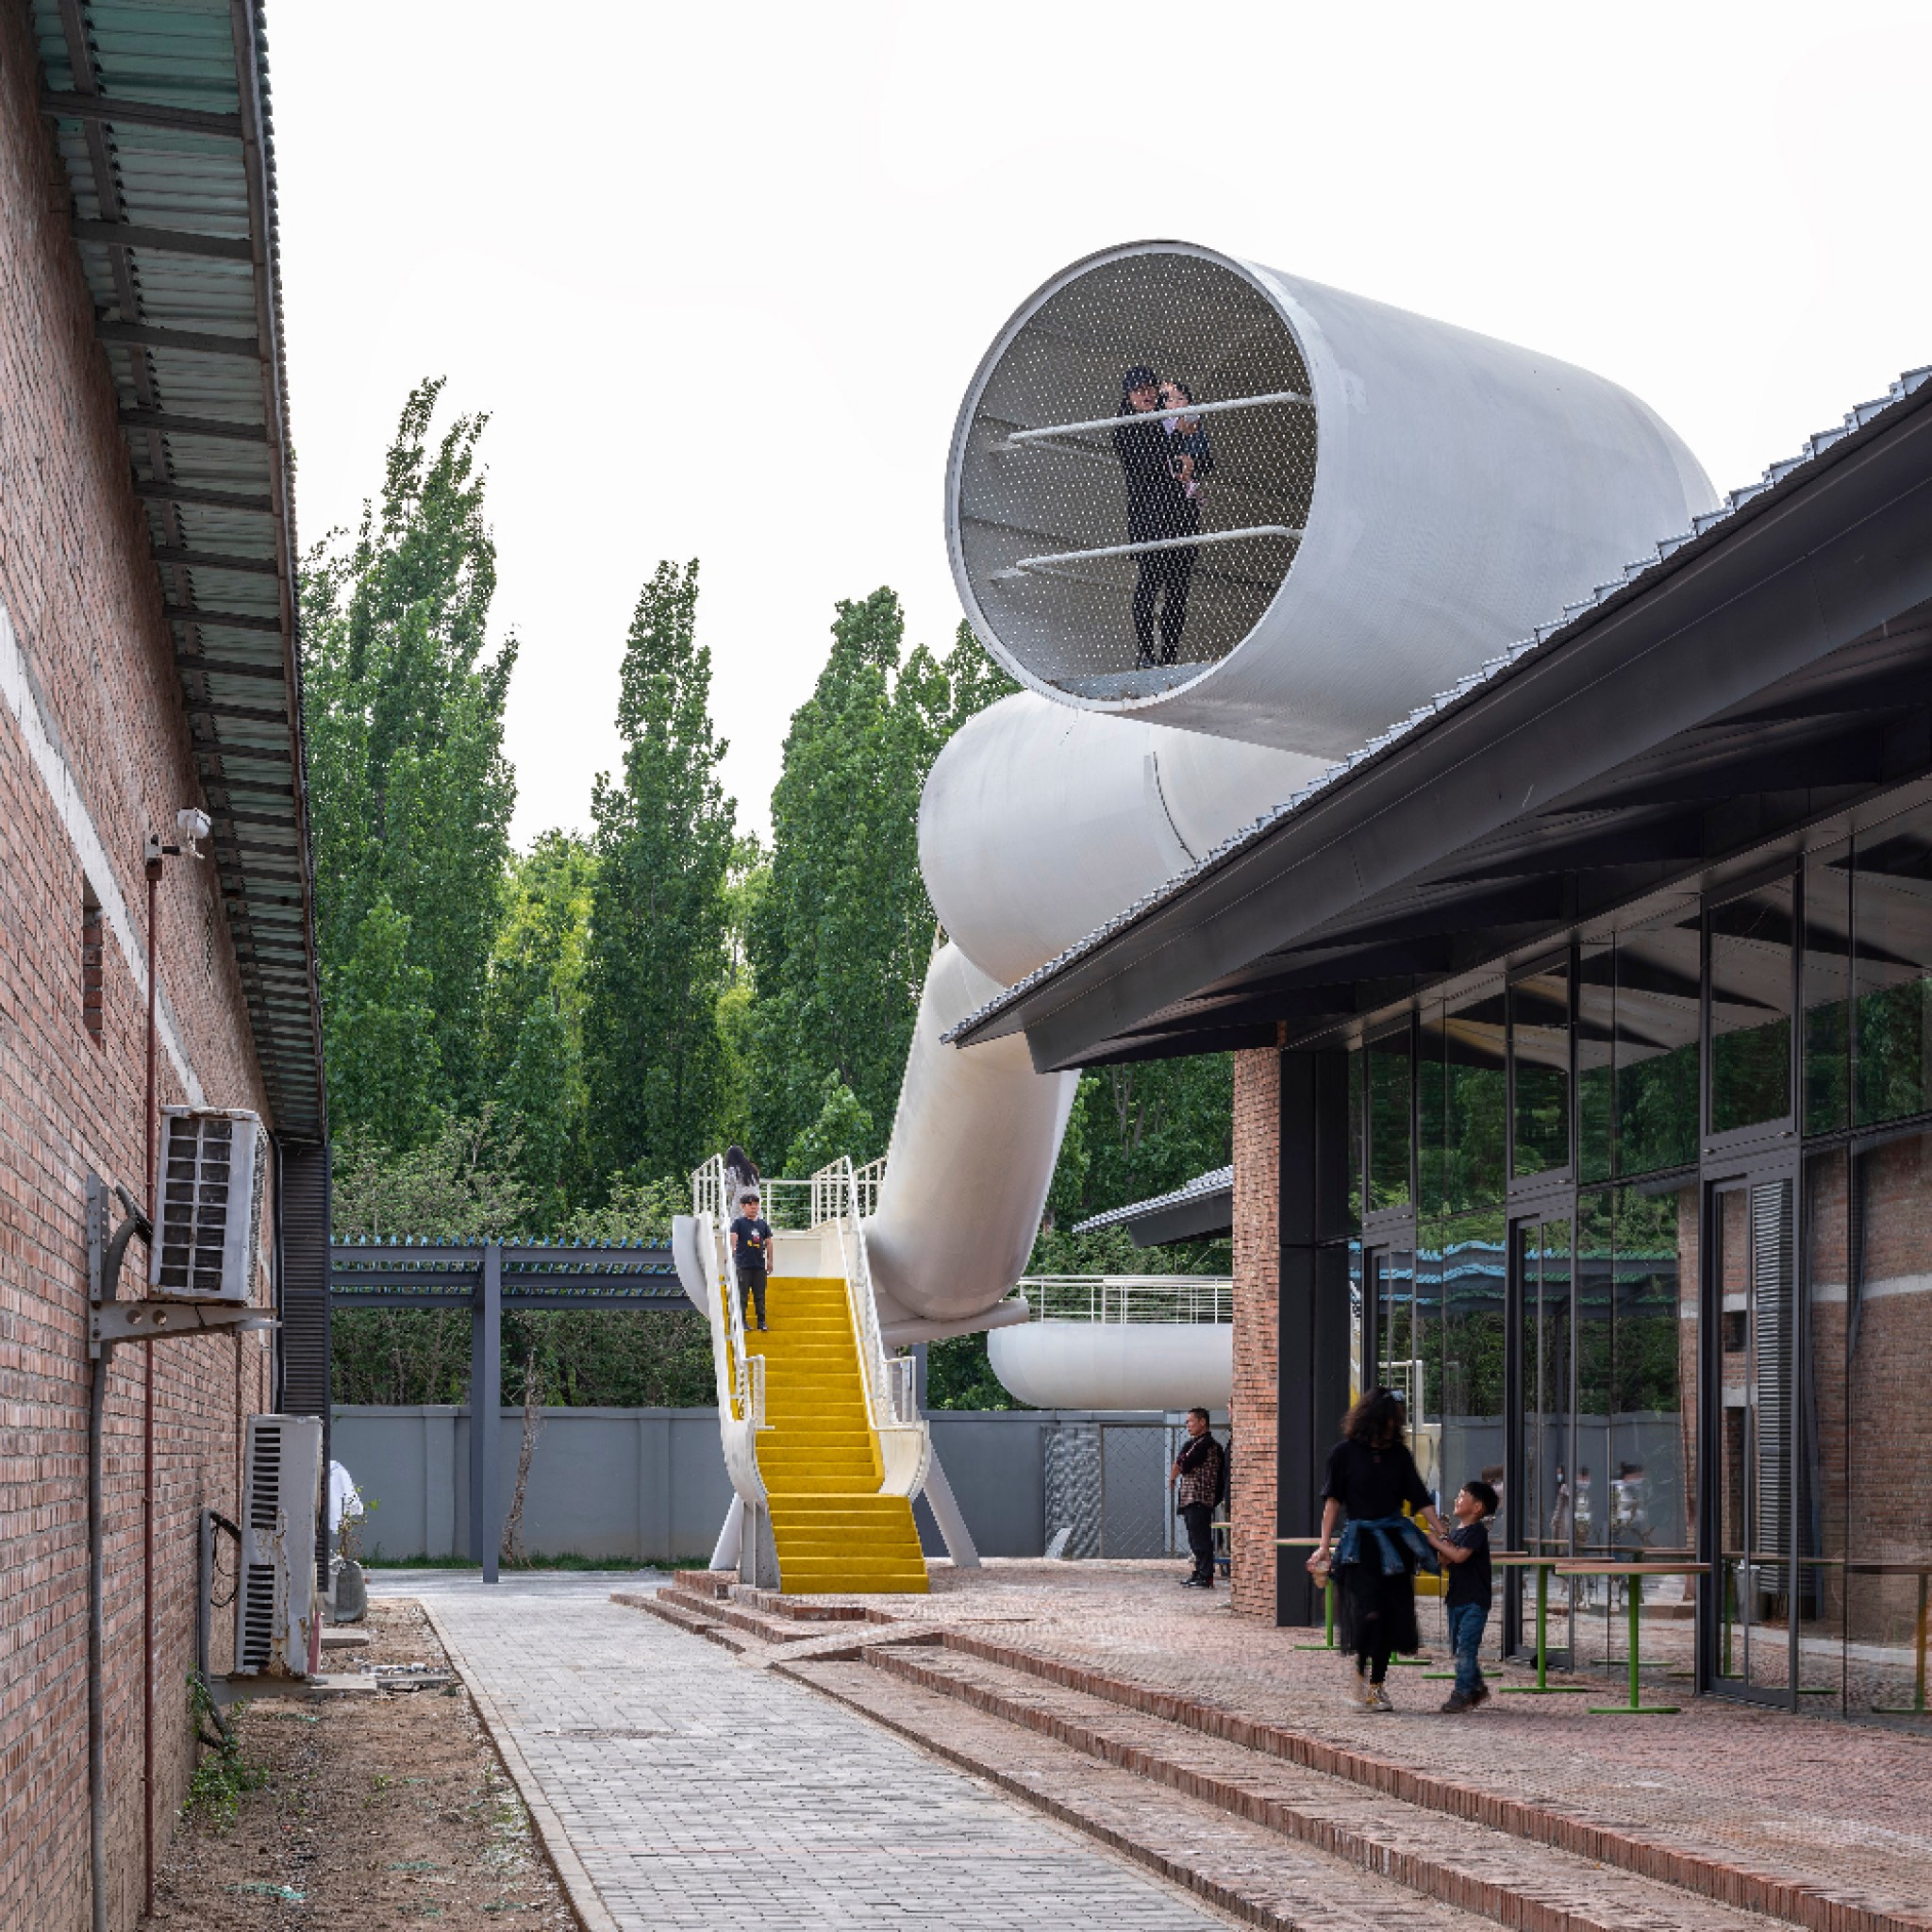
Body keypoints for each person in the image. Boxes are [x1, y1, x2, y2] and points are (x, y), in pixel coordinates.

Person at [1308, 1388, 1447, 1711]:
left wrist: (1442, 1531)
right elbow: (1332, 1502)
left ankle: (1376, 1685)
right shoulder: (1343, 1453)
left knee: (1388, 1614)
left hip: (1395, 1543)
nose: (1394, 1426)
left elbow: (1420, 1496)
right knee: (1369, 1610)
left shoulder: (1399, 1455)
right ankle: (1361, 1671)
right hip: (1360, 1544)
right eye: (1390, 1419)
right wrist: (1324, 1547)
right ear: (1375, 1419)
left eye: (1397, 1420)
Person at [1112, 365, 1203, 668]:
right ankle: (1147, 653)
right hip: (1150, 518)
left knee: (1177, 589)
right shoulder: (1126, 429)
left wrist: (1193, 462)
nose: (1147, 394)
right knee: (1150, 583)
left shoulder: (1171, 421)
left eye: (1151, 388)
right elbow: (1147, 464)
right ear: (1129, 396)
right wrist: (1175, 436)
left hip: (1181, 517)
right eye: (1139, 390)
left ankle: (1169, 657)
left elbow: (1202, 460)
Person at [1426, 1478, 1497, 1712]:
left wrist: (1434, 1542)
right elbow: (1446, 1560)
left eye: (1461, 1496)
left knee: (1466, 1648)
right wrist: (1441, 1542)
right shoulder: (1457, 1532)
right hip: (1456, 1598)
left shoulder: (1476, 1532)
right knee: (1460, 1648)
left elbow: (1458, 1557)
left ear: (1477, 1507)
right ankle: (1476, 1686)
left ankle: (1462, 1692)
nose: (1456, 1500)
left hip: (1475, 1600)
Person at [1172, 1407, 1226, 1589]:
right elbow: (1180, 1461)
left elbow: (1184, 1464)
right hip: (1189, 1498)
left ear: (1202, 1422)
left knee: (1201, 1537)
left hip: (1200, 1498)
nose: (1188, 1425)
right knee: (1194, 1538)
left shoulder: (1208, 1445)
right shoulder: (1192, 1444)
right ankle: (1199, 1571)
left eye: (1191, 1421)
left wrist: (1180, 1463)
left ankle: (1206, 1575)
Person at [728, 1187, 773, 1332]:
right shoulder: (739, 1223)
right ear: (743, 1207)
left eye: (756, 1204)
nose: (754, 1207)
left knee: (760, 1295)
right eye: (750, 1204)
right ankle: (742, 1321)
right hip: (744, 1264)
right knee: (743, 1295)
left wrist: (770, 1261)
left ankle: (762, 1322)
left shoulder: (762, 1224)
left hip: (759, 1265)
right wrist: (732, 1251)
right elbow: (733, 1237)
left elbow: (769, 1242)